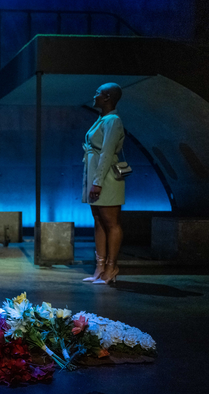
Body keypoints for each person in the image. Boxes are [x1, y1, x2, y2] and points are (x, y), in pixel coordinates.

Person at [81, 82, 125, 285]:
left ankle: (111, 267)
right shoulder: (102, 119)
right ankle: (99, 267)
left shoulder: (113, 120)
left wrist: (98, 182)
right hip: (96, 176)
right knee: (98, 220)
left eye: (97, 93)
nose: (94, 96)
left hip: (106, 178)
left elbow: (107, 153)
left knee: (110, 222)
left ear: (107, 97)